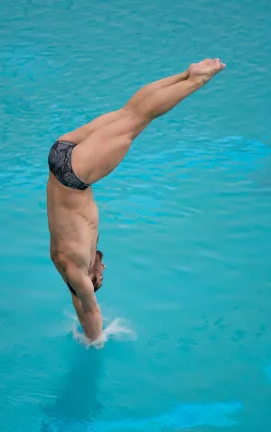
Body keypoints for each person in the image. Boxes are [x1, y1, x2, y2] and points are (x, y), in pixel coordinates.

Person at [46, 58, 226, 342]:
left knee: (135, 119)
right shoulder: (63, 257)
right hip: (60, 153)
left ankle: (196, 81)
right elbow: (78, 301)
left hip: (74, 174)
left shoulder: (75, 270)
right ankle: (186, 73)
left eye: (100, 278)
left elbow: (88, 310)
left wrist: (94, 341)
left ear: (89, 283)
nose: (103, 270)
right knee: (130, 113)